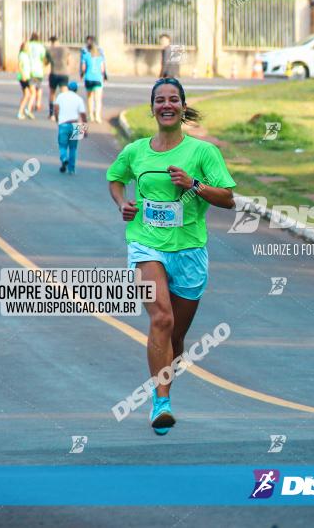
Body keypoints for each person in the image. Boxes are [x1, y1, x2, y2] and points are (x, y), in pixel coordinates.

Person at [106, 77, 236, 435]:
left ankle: (165, 385)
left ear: (182, 107)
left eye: (173, 99)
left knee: (175, 336)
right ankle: (160, 403)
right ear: (152, 109)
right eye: (160, 99)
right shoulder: (136, 151)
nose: (166, 104)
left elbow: (228, 198)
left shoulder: (203, 152)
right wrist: (123, 203)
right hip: (146, 244)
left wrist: (194, 183)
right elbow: (115, 179)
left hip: (190, 249)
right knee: (161, 319)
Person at [53, 82, 88, 175]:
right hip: (76, 125)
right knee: (73, 148)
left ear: (68, 88)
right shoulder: (79, 99)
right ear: (76, 89)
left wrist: (57, 119)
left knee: (62, 145)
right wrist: (84, 129)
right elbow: (83, 115)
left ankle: (64, 158)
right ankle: (71, 169)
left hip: (63, 124)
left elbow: (55, 109)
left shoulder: (61, 96)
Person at [80, 38, 106, 123]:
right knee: (98, 99)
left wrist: (82, 74)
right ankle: (97, 116)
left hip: (88, 78)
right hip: (98, 79)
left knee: (89, 98)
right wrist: (104, 77)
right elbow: (102, 69)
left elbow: (83, 68)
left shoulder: (86, 55)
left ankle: (90, 115)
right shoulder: (100, 56)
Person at [47, 36, 72, 121]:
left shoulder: (49, 50)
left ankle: (52, 114)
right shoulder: (65, 49)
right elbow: (69, 62)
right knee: (64, 94)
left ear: (51, 42)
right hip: (64, 73)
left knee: (52, 93)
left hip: (54, 73)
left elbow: (46, 62)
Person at [27, 32, 47, 115]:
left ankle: (30, 104)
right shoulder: (41, 46)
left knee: (31, 88)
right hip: (39, 70)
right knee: (38, 87)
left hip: (30, 70)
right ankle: (38, 103)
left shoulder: (27, 45)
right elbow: (43, 58)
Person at [17, 42, 34, 120]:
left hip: (26, 76)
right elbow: (20, 66)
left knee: (26, 95)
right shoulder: (22, 55)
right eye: (27, 47)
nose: (28, 48)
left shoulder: (26, 55)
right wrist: (23, 74)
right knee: (31, 93)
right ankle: (27, 109)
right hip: (25, 77)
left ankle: (21, 111)